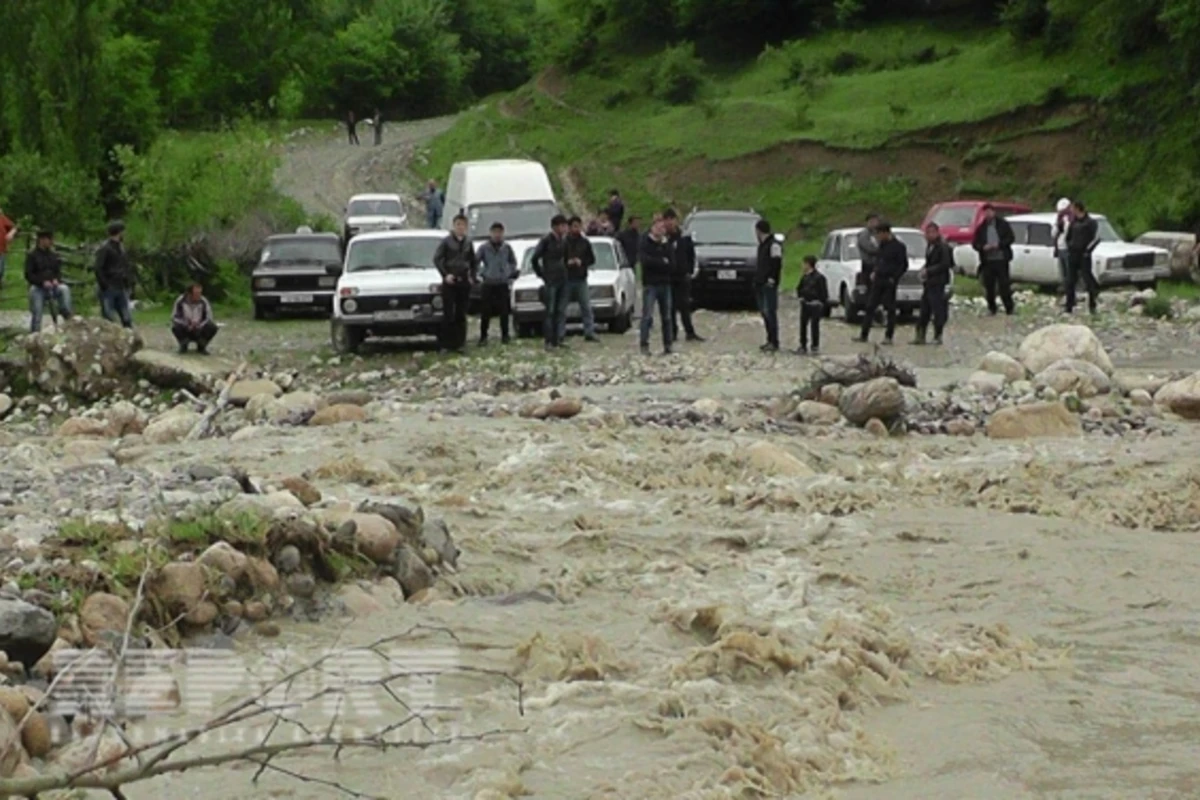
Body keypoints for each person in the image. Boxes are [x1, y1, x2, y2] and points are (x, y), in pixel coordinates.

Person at [432, 214, 478, 353]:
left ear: (466, 227)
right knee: (448, 314)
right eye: (458, 225)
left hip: (463, 281)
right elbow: (437, 259)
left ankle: (460, 344)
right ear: (454, 226)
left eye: (463, 225)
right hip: (450, 281)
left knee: (461, 314)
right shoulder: (446, 242)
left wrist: (472, 276)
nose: (460, 228)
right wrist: (445, 275)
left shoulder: (468, 243)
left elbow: (473, 261)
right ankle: (446, 344)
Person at [855, 221, 906, 345]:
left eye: (878, 234)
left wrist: (894, 278)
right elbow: (878, 260)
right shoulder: (882, 245)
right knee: (870, 306)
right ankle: (864, 334)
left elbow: (903, 265)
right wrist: (875, 271)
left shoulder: (899, 247)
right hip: (878, 280)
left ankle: (889, 336)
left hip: (889, 281)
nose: (877, 237)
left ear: (885, 233)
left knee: (890, 309)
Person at [663, 208, 704, 343]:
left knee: (685, 306)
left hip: (682, 277)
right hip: (668, 277)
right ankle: (672, 333)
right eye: (667, 220)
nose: (670, 223)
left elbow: (691, 255)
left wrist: (689, 271)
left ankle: (690, 332)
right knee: (670, 308)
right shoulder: (663, 238)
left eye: (672, 220)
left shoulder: (684, 237)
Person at [531, 215, 570, 351]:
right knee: (550, 311)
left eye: (565, 226)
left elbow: (565, 257)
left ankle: (559, 339)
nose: (564, 229)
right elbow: (535, 258)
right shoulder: (546, 240)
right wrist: (542, 274)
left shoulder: (564, 241)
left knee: (561, 310)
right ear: (554, 227)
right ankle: (548, 340)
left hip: (563, 278)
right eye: (561, 226)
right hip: (551, 279)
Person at [912, 222, 953, 345]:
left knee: (938, 310)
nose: (929, 235)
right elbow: (930, 262)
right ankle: (920, 336)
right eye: (927, 233)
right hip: (929, 283)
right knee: (924, 310)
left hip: (938, 283)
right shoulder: (930, 246)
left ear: (937, 232)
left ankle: (938, 335)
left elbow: (945, 264)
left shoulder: (942, 247)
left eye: (932, 232)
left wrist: (929, 271)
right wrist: (924, 270)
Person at [24, 230, 73, 333]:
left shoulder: (53, 255)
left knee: (64, 289)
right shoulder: (32, 255)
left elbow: (58, 272)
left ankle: (66, 312)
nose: (50, 242)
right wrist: (42, 282)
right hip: (38, 287)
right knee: (37, 312)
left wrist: (56, 280)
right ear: (41, 240)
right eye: (48, 239)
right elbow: (29, 274)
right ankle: (35, 333)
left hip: (53, 285)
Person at [476, 222, 517, 345]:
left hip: (502, 283)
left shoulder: (506, 248)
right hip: (488, 283)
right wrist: (483, 273)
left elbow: (513, 262)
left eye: (499, 232)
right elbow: (475, 263)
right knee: (485, 312)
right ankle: (483, 337)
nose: (497, 235)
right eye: (495, 232)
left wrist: (508, 272)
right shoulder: (484, 248)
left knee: (504, 311)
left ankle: (505, 336)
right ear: (490, 233)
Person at [971, 203, 1015, 316]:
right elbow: (975, 243)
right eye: (985, 212)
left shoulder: (1003, 225)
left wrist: (999, 245)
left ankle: (1009, 308)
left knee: (1004, 285)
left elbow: (1010, 238)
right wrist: (983, 247)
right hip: (988, 261)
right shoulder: (981, 228)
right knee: (989, 286)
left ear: (994, 212)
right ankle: (992, 308)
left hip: (1001, 259)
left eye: (989, 212)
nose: (988, 214)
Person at [638, 217, 673, 355]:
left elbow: (672, 264)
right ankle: (644, 344)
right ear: (652, 228)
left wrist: (662, 262)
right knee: (647, 315)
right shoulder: (645, 243)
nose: (661, 230)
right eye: (658, 227)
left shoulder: (667, 244)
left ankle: (668, 344)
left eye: (663, 228)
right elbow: (645, 262)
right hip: (650, 284)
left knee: (667, 316)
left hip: (665, 283)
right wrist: (661, 261)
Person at [562, 216, 598, 343]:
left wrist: (582, 262)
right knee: (562, 308)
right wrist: (568, 262)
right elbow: (558, 260)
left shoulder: (585, 242)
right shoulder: (564, 242)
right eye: (574, 226)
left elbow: (592, 259)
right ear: (569, 227)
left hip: (581, 278)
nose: (576, 229)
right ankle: (560, 333)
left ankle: (589, 332)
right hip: (566, 279)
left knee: (586, 307)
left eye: (578, 226)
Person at [94, 220, 134, 328]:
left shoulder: (121, 248)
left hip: (120, 285)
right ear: (119, 232)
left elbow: (125, 266)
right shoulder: (105, 248)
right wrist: (105, 285)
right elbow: (98, 268)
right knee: (109, 320)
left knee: (127, 318)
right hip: (109, 287)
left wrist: (127, 282)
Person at [1065, 199, 1101, 315]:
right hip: (1073, 253)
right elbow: (1068, 236)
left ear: (1077, 209)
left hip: (1084, 254)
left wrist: (1088, 250)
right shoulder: (1074, 222)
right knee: (1070, 280)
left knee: (1087, 278)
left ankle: (1092, 305)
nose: (1071, 211)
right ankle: (1069, 306)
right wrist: (1070, 245)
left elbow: (1095, 238)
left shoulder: (1090, 222)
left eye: (1073, 208)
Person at [754, 219, 782, 352]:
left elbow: (776, 264)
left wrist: (772, 279)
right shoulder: (762, 245)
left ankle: (774, 340)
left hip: (768, 284)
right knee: (765, 313)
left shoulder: (773, 245)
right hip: (760, 282)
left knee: (770, 312)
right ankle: (769, 339)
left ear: (759, 231)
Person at [171, 284, 219, 354]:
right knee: (175, 327)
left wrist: (199, 325)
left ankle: (201, 346)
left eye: (200, 293)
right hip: (186, 327)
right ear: (189, 294)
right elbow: (174, 317)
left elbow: (209, 317)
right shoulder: (181, 301)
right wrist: (186, 324)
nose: (199, 295)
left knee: (212, 327)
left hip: (199, 327)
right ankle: (184, 345)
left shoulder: (203, 301)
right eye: (197, 293)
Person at [795, 255, 828, 354]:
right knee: (803, 325)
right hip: (805, 303)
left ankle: (815, 345)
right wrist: (800, 297)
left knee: (814, 326)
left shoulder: (819, 278)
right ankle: (803, 345)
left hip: (815, 305)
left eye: (804, 264)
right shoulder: (804, 277)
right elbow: (799, 288)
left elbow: (823, 292)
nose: (802, 266)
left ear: (808, 264)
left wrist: (820, 302)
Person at [1053, 197, 1073, 300]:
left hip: (1067, 249)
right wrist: (1058, 225)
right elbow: (1053, 234)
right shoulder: (1058, 220)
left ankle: (1070, 296)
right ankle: (1067, 294)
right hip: (1060, 248)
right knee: (1064, 274)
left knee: (1069, 274)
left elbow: (1067, 233)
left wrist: (1064, 224)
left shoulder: (1070, 220)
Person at [857, 213, 881, 291]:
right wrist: (881, 250)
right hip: (868, 264)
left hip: (879, 264)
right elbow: (869, 249)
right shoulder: (864, 235)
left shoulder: (878, 233)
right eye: (872, 221)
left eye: (876, 221)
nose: (874, 223)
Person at [0, 207, 17, 290]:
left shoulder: (2, 218)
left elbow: (14, 227)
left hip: (1, 250)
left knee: (1, 270)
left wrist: (11, 234)